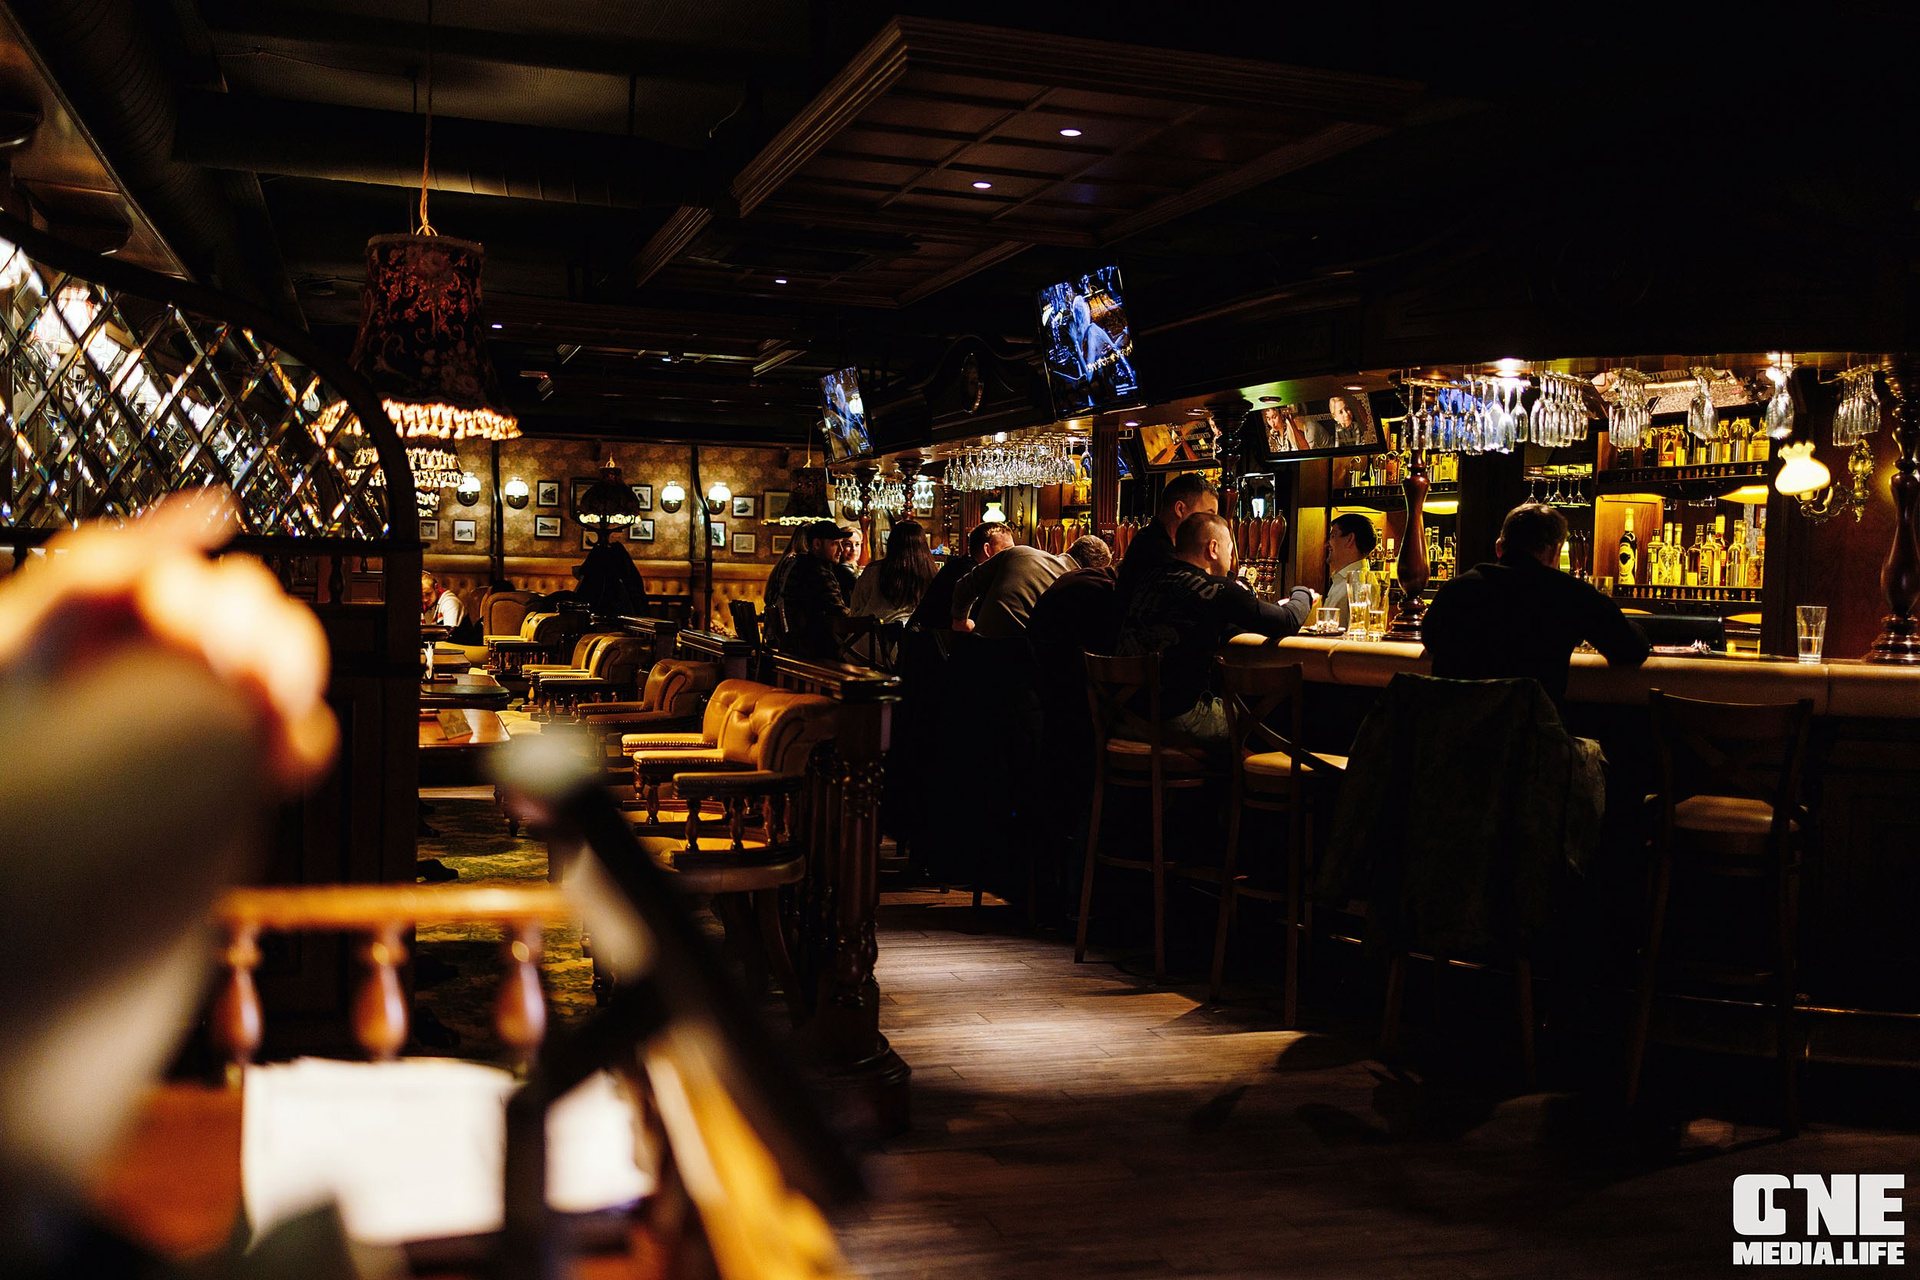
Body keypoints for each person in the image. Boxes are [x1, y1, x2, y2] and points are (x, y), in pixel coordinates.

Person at [1422, 502, 1650, 709]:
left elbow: (1429, 639)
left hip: (1451, 736)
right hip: (1533, 738)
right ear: (1555, 551)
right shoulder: (1569, 593)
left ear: (1499, 548)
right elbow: (1630, 649)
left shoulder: (1455, 589)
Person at [1119, 511, 1316, 749]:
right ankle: (1254, 773)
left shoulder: (1149, 578)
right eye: (1230, 550)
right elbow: (1287, 622)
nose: (1231, 558)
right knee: (1268, 714)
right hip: (1176, 722)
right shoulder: (1219, 589)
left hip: (1124, 717)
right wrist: (1302, 593)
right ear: (1213, 548)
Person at [1115, 473, 1232, 610]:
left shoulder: (1160, 540)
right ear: (1180, 509)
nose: (1212, 523)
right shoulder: (1155, 549)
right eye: (1208, 515)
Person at [951, 536, 1076, 639]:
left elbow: (963, 587)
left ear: (1069, 548)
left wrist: (960, 621)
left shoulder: (1020, 553)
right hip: (1022, 655)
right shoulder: (1073, 583)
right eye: (1007, 548)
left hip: (979, 649)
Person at [908, 521, 1012, 631]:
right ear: (987, 550)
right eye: (1007, 550)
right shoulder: (973, 576)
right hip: (933, 640)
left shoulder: (955, 566)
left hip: (918, 636)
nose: (1012, 555)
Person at [776, 520, 854, 662]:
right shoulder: (818, 572)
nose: (841, 550)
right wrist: (868, 621)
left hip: (799, 645)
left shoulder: (801, 565)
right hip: (816, 651)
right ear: (817, 544)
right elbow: (840, 615)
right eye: (835, 544)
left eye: (841, 543)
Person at [1027, 535, 1118, 655]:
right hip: (1045, 657)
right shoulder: (1086, 586)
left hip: (1020, 648)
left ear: (1069, 548)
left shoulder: (1026, 553)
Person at [849, 519, 937, 623]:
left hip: (874, 630)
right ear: (923, 546)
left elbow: (856, 609)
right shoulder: (931, 573)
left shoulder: (873, 571)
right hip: (912, 631)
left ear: (891, 544)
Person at [1325, 512, 1378, 628]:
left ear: (1349, 539)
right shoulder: (1341, 580)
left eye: (1333, 536)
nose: (1327, 544)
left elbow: (1361, 635)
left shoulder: (1362, 583)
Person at [832, 524, 863, 597]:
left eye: (857, 544)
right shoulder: (843, 569)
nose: (854, 549)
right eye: (848, 544)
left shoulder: (851, 567)